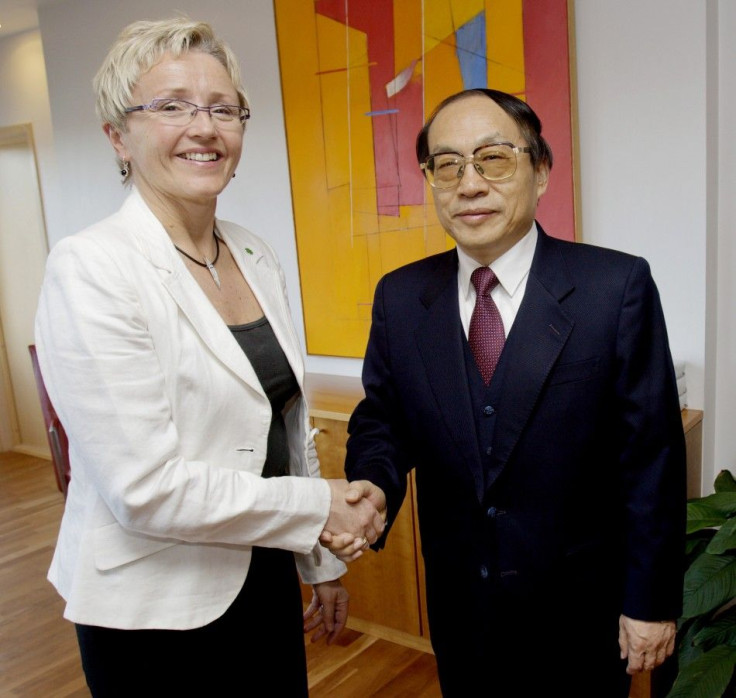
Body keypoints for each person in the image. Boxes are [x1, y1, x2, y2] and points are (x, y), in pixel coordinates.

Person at [34, 17, 384, 697]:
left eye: (223, 109)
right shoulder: (91, 267)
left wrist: (319, 562)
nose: (205, 127)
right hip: (153, 611)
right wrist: (321, 508)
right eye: (171, 106)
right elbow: (145, 489)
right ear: (118, 136)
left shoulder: (253, 252)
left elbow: (285, 426)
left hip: (260, 577)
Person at [333, 88, 687, 697]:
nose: (470, 185)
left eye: (493, 159)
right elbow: (384, 418)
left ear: (540, 170)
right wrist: (373, 481)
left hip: (580, 610)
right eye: (448, 166)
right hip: (461, 605)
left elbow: (651, 458)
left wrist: (649, 602)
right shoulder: (400, 296)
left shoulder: (614, 286)